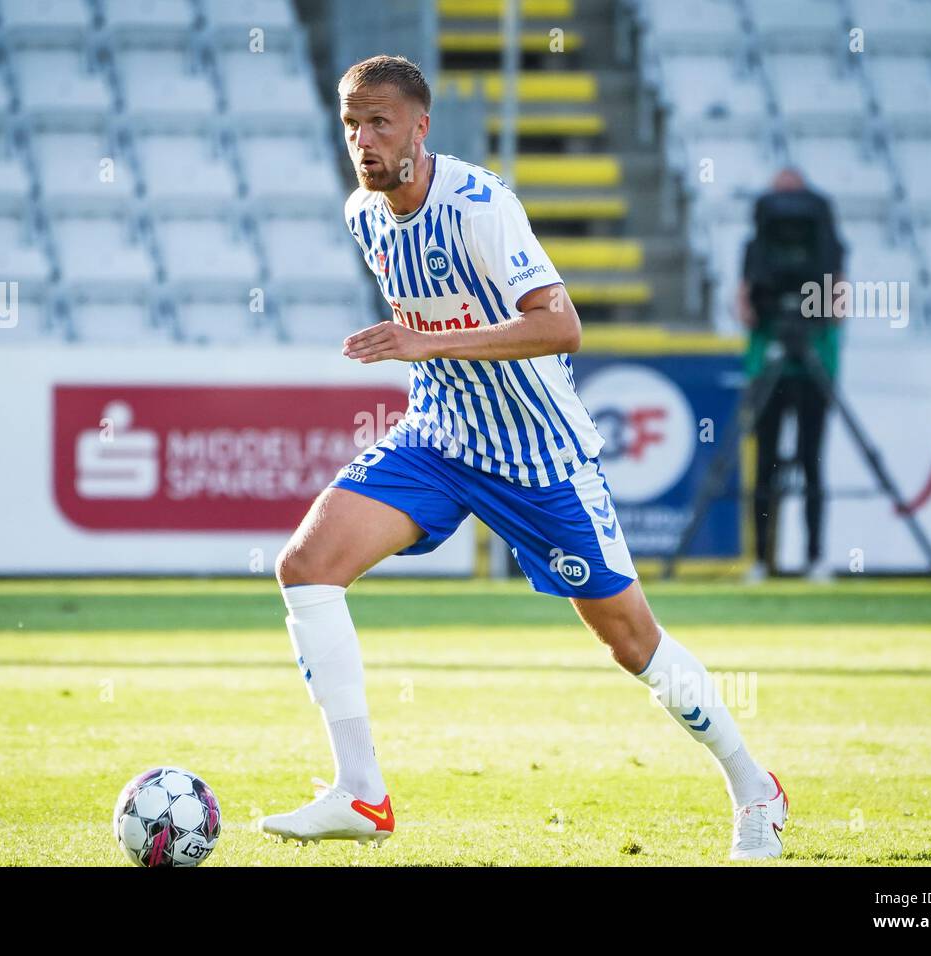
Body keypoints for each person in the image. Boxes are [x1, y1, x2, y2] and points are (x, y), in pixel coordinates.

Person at [258, 55, 788, 860]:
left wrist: (423, 341)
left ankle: (754, 786)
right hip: (438, 438)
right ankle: (360, 792)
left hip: (538, 455)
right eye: (350, 125)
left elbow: (561, 326)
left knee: (632, 644)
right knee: (305, 566)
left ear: (420, 127)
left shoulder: (480, 206)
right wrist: (426, 357)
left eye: (379, 124)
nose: (362, 142)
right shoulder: (363, 216)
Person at [736, 168, 844, 584]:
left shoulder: (829, 247)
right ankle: (762, 559)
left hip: (813, 364)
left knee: (813, 462)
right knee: (764, 465)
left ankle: (815, 557)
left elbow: (835, 308)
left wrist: (811, 309)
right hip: (770, 364)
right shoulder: (755, 248)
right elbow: (745, 309)